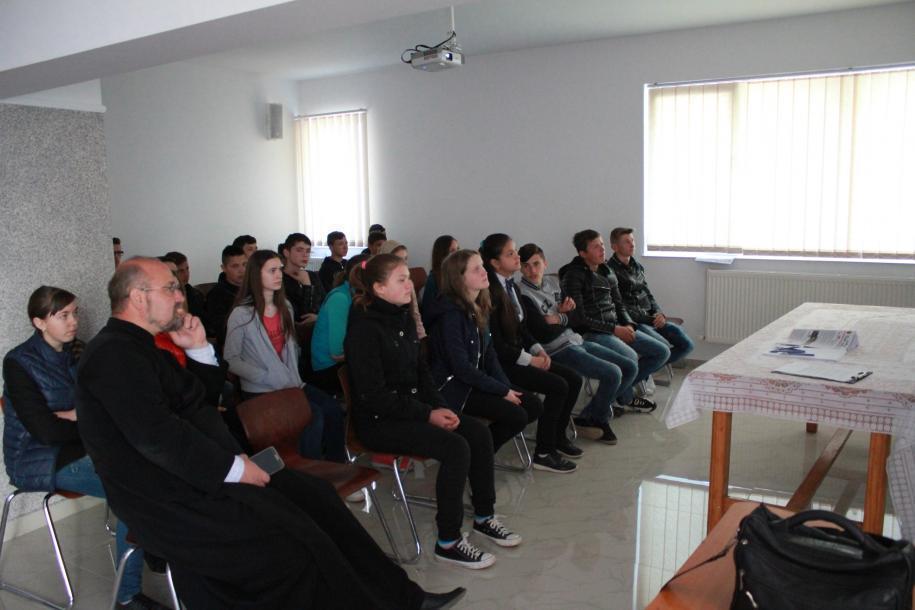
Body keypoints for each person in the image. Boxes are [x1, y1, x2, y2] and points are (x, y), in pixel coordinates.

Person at [75, 258, 464, 609]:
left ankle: (402, 598)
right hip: (170, 496)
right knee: (294, 540)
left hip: (205, 471)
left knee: (318, 497)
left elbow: (196, 403)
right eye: (171, 288)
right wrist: (232, 468)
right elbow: (156, 438)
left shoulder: (143, 349)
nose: (180, 296)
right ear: (138, 297)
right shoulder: (113, 355)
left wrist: (198, 350)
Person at [346, 254, 520, 568]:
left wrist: (440, 405)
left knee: (477, 433)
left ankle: (484, 516)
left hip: (412, 408)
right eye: (401, 280)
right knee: (455, 448)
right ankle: (448, 541)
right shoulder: (364, 329)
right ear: (379, 288)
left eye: (408, 279)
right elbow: (375, 397)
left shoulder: (401, 316)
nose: (409, 285)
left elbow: (422, 374)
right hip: (379, 421)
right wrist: (428, 415)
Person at [2, 286, 156, 609]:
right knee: (137, 488)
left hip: (86, 445)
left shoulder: (79, 350)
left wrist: (79, 415)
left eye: (75, 313)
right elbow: (45, 431)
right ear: (39, 322)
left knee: (154, 466)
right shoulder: (18, 363)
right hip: (40, 458)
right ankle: (127, 596)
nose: (73, 322)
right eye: (63, 315)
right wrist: (88, 417)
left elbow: (111, 402)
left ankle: (152, 541)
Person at [223, 250, 345, 463]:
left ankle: (336, 465)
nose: (279, 274)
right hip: (261, 388)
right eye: (272, 270)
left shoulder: (285, 307)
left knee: (332, 409)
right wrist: (264, 376)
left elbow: (291, 349)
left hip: (290, 383)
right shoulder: (242, 314)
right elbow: (230, 359)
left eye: (279, 269)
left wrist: (291, 378)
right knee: (313, 416)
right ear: (256, 275)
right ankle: (310, 470)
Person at [480, 234, 582, 472]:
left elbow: (522, 328)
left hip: (520, 355)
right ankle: (544, 452)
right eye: (510, 254)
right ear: (495, 263)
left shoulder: (511, 286)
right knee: (558, 386)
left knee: (573, 379)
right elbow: (498, 346)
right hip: (503, 363)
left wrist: (538, 350)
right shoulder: (490, 293)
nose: (517, 257)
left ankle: (556, 437)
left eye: (515, 251)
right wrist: (531, 360)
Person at [425, 249, 542, 455]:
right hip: (455, 388)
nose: (484, 272)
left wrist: (505, 387)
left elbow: (489, 355)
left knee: (532, 405)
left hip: (474, 381)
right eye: (476, 269)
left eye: (482, 266)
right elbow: (461, 368)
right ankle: (480, 454)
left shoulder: (478, 305)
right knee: (517, 415)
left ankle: (482, 452)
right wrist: (502, 391)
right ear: (459, 279)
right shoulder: (450, 316)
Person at [518, 243, 637, 444]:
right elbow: (543, 333)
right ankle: (595, 419)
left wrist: (558, 318)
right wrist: (564, 317)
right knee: (613, 373)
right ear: (520, 268)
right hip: (556, 350)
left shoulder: (554, 282)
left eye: (536, 264)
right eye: (526, 266)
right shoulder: (522, 293)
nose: (532, 270)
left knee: (630, 366)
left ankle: (591, 415)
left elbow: (578, 317)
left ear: (545, 263)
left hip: (576, 340)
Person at [558, 230, 668, 414]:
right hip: (591, 332)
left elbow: (619, 304)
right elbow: (579, 319)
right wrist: (615, 330)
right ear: (583, 253)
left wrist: (629, 325)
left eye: (602, 244)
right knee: (630, 358)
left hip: (615, 327)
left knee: (661, 352)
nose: (602, 249)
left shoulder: (607, 270)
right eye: (596, 247)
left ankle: (618, 395)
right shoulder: (573, 275)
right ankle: (614, 402)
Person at [608, 227, 694, 368]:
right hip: (634, 322)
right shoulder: (609, 271)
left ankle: (645, 371)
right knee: (663, 348)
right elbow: (620, 307)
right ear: (615, 247)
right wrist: (651, 319)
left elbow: (648, 294)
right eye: (626, 242)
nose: (632, 244)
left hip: (650, 318)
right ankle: (638, 374)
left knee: (687, 345)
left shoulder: (637, 267)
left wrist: (659, 314)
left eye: (632, 240)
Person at [309, 255, 370, 395]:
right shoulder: (340, 298)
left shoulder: (357, 294)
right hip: (328, 369)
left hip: (344, 360)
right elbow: (337, 353)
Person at [379, 240, 425, 339]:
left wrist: (422, 337)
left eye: (406, 258)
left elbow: (415, 313)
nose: (404, 263)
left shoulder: (408, 282)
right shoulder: (379, 286)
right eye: (399, 259)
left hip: (406, 333)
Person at [204, 245, 247, 349]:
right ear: (224, 268)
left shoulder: (255, 288)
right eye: (235, 266)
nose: (242, 270)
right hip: (234, 345)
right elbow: (221, 330)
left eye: (245, 264)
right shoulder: (216, 295)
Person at [280, 233, 325, 325]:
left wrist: (319, 317)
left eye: (308, 251)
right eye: (299, 250)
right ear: (286, 253)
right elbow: (303, 317)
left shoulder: (313, 275)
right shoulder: (279, 278)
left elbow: (325, 303)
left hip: (318, 326)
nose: (305, 255)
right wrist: (307, 285)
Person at [420, 235, 459, 320]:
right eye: (452, 251)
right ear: (442, 254)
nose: (457, 254)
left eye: (458, 249)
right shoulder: (433, 279)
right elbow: (427, 312)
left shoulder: (460, 274)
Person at [163, 251, 206, 320]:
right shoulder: (162, 297)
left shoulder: (196, 295)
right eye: (180, 271)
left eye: (187, 269)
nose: (186, 274)